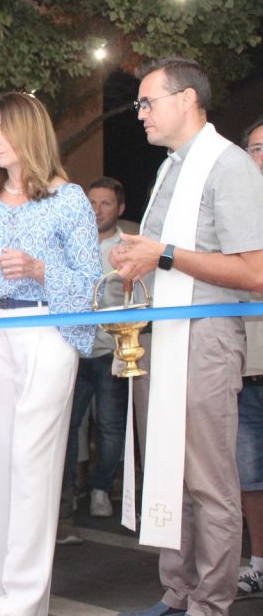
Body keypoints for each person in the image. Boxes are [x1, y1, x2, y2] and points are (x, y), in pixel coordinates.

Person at [112, 58, 263, 616]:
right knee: (169, 476)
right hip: (167, 332)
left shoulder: (229, 166)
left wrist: (164, 255)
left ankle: (211, 600)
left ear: (188, 100)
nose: (141, 114)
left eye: (148, 102)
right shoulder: (171, 168)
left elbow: (255, 271)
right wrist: (138, 262)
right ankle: (178, 592)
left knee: (208, 481)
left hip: (207, 337)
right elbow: (162, 257)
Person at [0, 92, 100, 616]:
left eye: (0, 130)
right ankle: (5, 587)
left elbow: (91, 284)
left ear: (27, 131)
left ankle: (27, 598)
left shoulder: (69, 199)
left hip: (47, 330)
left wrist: (39, 270)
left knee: (33, 463)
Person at [61, 177, 128, 528]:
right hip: (73, 349)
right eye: (91, 203)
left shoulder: (128, 248)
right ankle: (67, 492)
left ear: (120, 208)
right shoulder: (70, 241)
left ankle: (101, 487)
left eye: (105, 203)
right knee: (67, 424)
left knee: (111, 425)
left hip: (109, 350)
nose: (97, 210)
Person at [237, 115, 263, 597]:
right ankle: (258, 563)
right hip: (245, 365)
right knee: (249, 474)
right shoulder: (235, 210)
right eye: (256, 149)